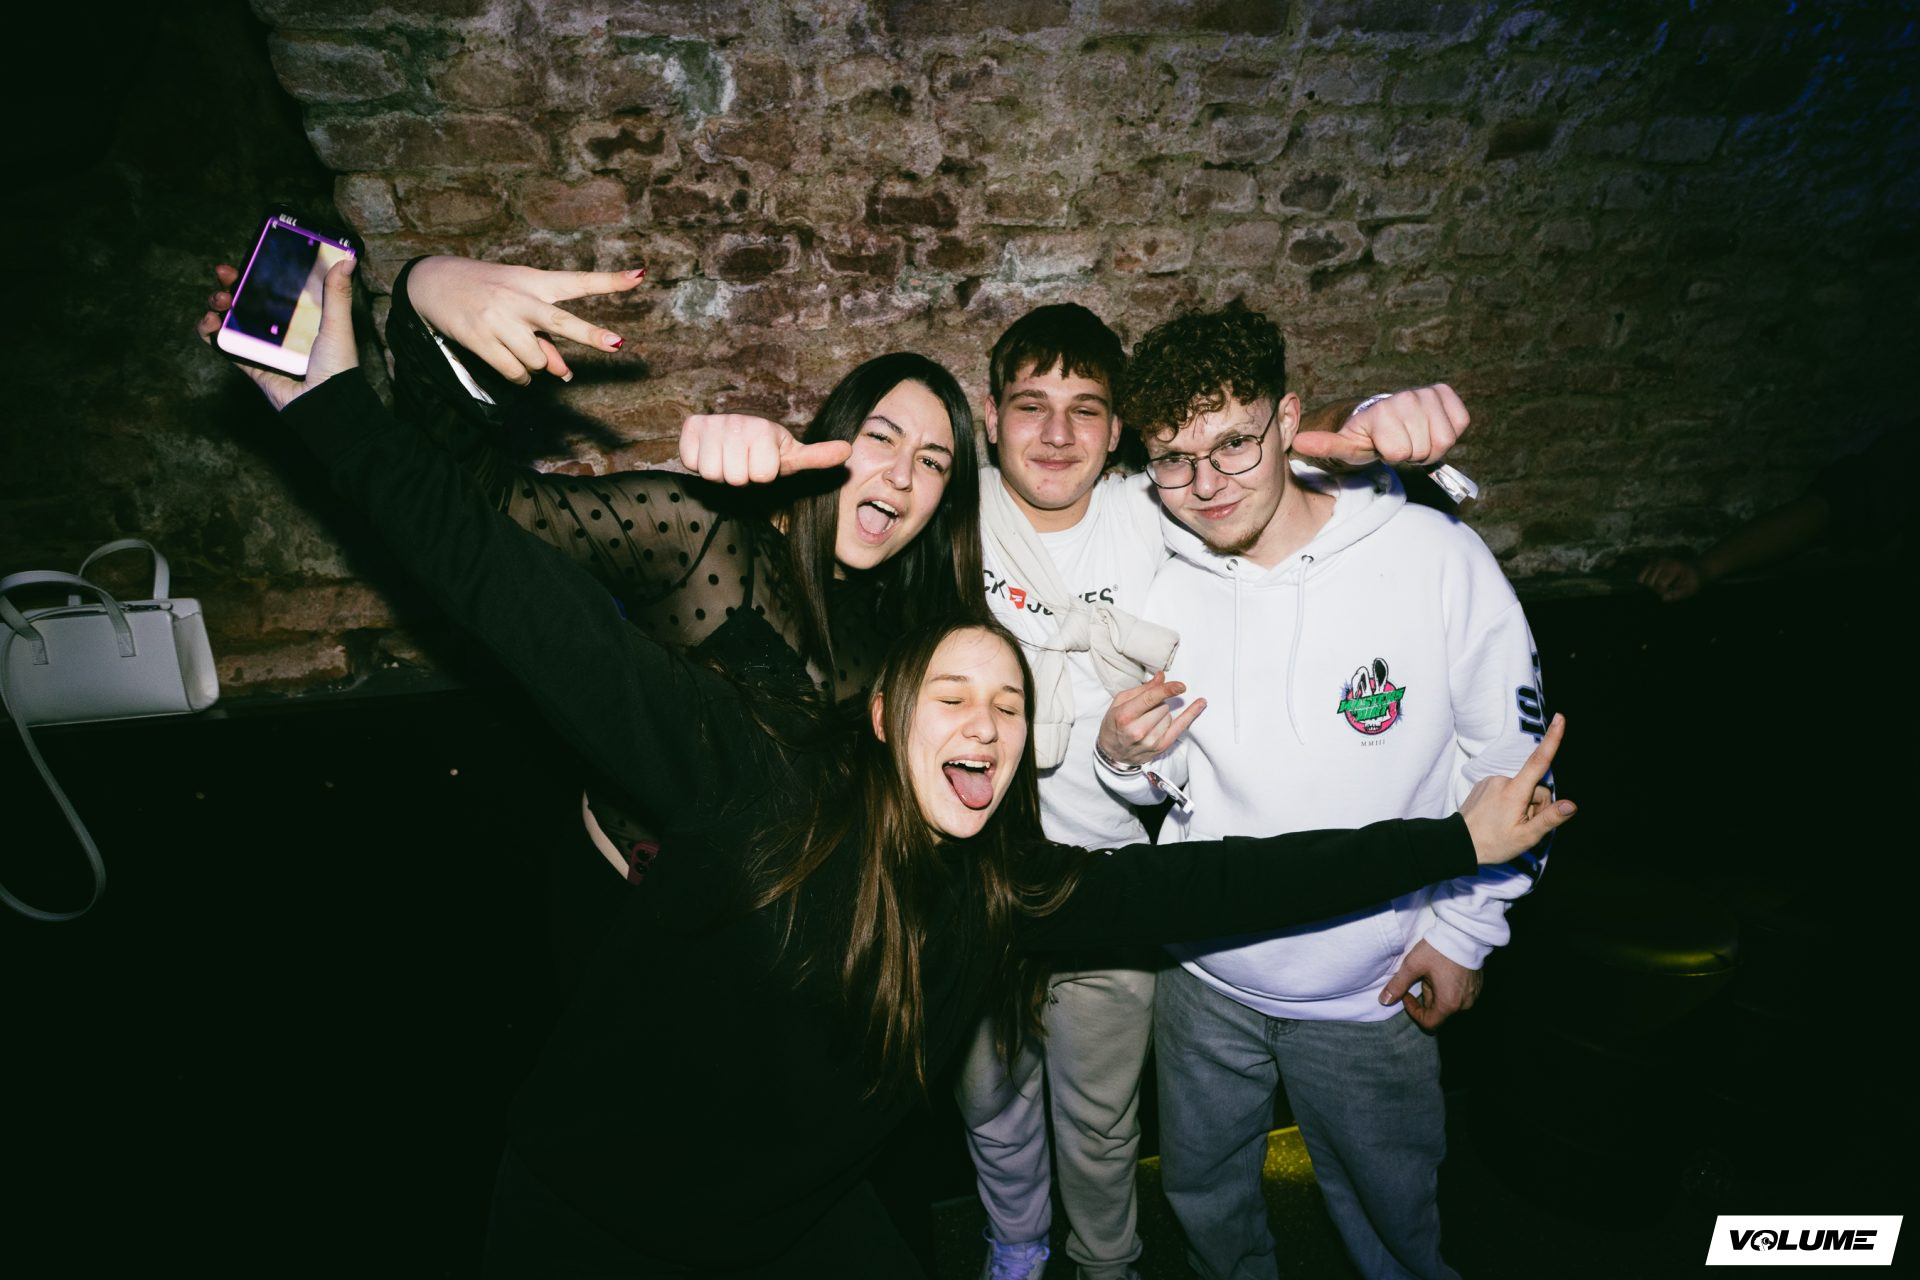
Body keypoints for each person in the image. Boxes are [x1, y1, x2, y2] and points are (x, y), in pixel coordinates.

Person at [199, 259, 1575, 1278]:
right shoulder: (750, 777)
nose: (982, 724)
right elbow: (504, 585)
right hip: (595, 1205)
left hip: (795, 1217)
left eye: (1007, 708)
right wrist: (339, 386)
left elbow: (1217, 881)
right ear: (880, 715)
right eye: (954, 698)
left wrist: (1456, 845)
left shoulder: (1006, 880)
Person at [685, 304, 1470, 1280]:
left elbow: (1280, 489)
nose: (1057, 433)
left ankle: (1107, 1263)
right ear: (990, 417)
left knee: (1103, 1119)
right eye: (1030, 405)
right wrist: (739, 474)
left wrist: (1389, 434)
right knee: (992, 1107)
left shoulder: (1158, 510)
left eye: (1086, 409)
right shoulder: (949, 509)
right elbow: (838, 529)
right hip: (967, 882)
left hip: (1110, 887)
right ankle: (1016, 1246)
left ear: (1117, 431)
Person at [206, 255, 988, 879]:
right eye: (881, 438)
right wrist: (427, 297)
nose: (901, 476)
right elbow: (481, 514)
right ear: (836, 437)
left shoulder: (912, 631)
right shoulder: (704, 530)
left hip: (778, 949)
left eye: (933, 462)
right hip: (626, 905)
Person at [1095, 303, 1551, 1280]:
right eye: (1174, 458)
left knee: (1395, 1219)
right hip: (1202, 973)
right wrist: (1123, 756)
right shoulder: (1162, 580)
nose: (1206, 484)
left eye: (1233, 442)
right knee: (1204, 1197)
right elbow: (1170, 774)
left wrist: (1465, 934)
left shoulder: (1432, 556)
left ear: (1290, 419)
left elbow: (1511, 765)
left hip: (1367, 985)